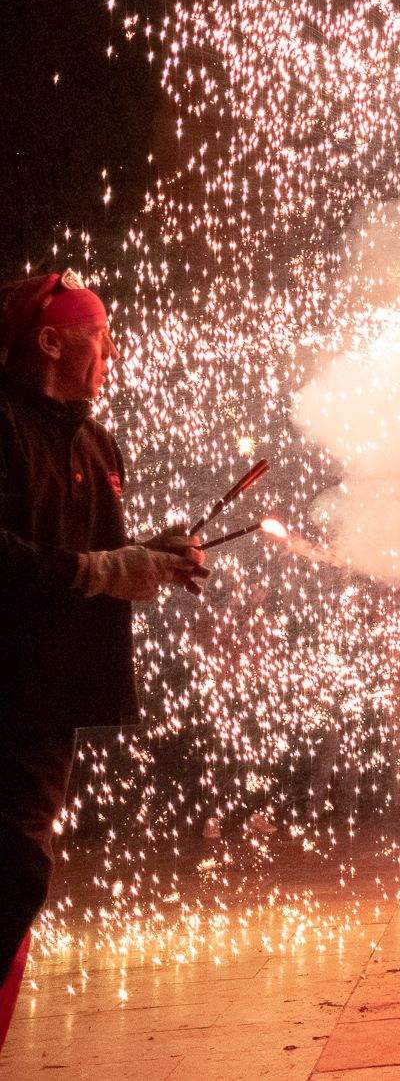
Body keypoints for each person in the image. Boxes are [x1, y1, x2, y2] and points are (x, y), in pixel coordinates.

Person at [0, 272, 206, 1047]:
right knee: (14, 875)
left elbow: (99, 556)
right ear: (51, 340)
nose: (111, 352)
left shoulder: (97, 444)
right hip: (4, 689)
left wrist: (151, 554)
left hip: (53, 701)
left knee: (18, 885)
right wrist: (101, 570)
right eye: (100, 334)